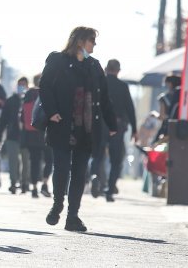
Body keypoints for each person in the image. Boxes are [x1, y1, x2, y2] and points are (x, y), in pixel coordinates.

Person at [39, 26, 117, 233]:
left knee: (80, 173)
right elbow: (45, 86)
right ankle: (57, 206)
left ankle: (72, 216)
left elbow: (104, 97)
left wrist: (112, 124)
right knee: (62, 168)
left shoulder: (94, 65)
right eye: (92, 40)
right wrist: (52, 112)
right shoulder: (58, 60)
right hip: (61, 124)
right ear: (81, 40)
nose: (95, 44)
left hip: (87, 129)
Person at [90, 59, 137, 202]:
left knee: (97, 155)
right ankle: (110, 190)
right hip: (117, 125)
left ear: (105, 69)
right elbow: (130, 108)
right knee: (116, 160)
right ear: (118, 70)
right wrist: (134, 129)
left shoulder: (98, 83)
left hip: (99, 123)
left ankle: (94, 176)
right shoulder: (123, 86)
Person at [0, 77, 27, 194]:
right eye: (20, 85)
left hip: (26, 137)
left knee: (26, 162)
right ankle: (13, 183)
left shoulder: (29, 100)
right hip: (12, 135)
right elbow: (3, 121)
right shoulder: (10, 101)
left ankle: (25, 183)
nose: (21, 88)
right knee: (13, 161)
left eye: (23, 85)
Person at [19, 79, 45, 198]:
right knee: (38, 160)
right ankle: (37, 185)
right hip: (41, 133)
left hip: (28, 133)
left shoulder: (28, 94)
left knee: (27, 160)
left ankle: (29, 184)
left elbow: (22, 116)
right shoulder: (45, 93)